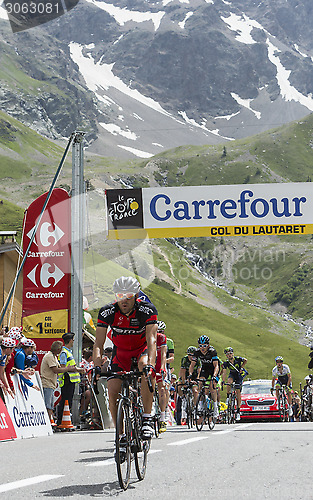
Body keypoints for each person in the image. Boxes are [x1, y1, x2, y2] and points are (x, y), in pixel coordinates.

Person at [93, 276, 158, 441]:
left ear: (136, 295)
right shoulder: (107, 312)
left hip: (140, 350)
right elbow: (99, 343)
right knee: (113, 391)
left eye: (128, 296)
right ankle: (120, 434)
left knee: (145, 368)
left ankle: (147, 418)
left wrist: (151, 364)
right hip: (120, 353)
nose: (124, 300)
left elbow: (152, 341)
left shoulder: (147, 310)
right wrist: (97, 365)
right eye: (120, 295)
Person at [40, 341, 82, 425]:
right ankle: (48, 423)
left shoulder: (54, 357)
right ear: (58, 349)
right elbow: (56, 370)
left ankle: (50, 421)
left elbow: (61, 368)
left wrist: (75, 369)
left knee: (51, 404)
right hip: (47, 383)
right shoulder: (49, 357)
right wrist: (68, 368)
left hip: (51, 383)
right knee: (48, 405)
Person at [56, 333, 84, 427]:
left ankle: (65, 420)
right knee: (65, 401)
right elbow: (63, 367)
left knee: (68, 401)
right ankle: (61, 421)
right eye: (73, 339)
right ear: (70, 340)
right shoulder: (64, 352)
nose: (73, 341)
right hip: (66, 380)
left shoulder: (68, 351)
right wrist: (78, 370)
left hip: (70, 380)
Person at [189, 335, 220, 419]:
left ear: (208, 346)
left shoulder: (212, 351)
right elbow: (192, 365)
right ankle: (201, 404)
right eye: (201, 346)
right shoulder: (197, 352)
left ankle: (215, 406)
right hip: (205, 369)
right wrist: (190, 374)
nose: (202, 348)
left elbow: (216, 365)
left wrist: (214, 376)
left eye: (205, 346)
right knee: (200, 383)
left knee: (212, 386)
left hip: (214, 369)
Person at [221, 347, 247, 422]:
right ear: (226, 355)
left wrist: (242, 367)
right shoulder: (226, 363)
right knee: (229, 382)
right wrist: (223, 381)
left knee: (238, 391)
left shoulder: (238, 359)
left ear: (233, 354)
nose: (229, 355)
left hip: (238, 375)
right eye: (227, 354)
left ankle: (238, 410)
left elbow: (245, 360)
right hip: (232, 374)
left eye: (230, 353)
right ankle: (228, 396)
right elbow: (224, 372)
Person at [155, 327, 168, 433]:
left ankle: (163, 418)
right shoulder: (144, 335)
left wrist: (163, 368)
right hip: (149, 365)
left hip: (159, 365)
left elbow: (163, 355)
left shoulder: (162, 338)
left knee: (162, 389)